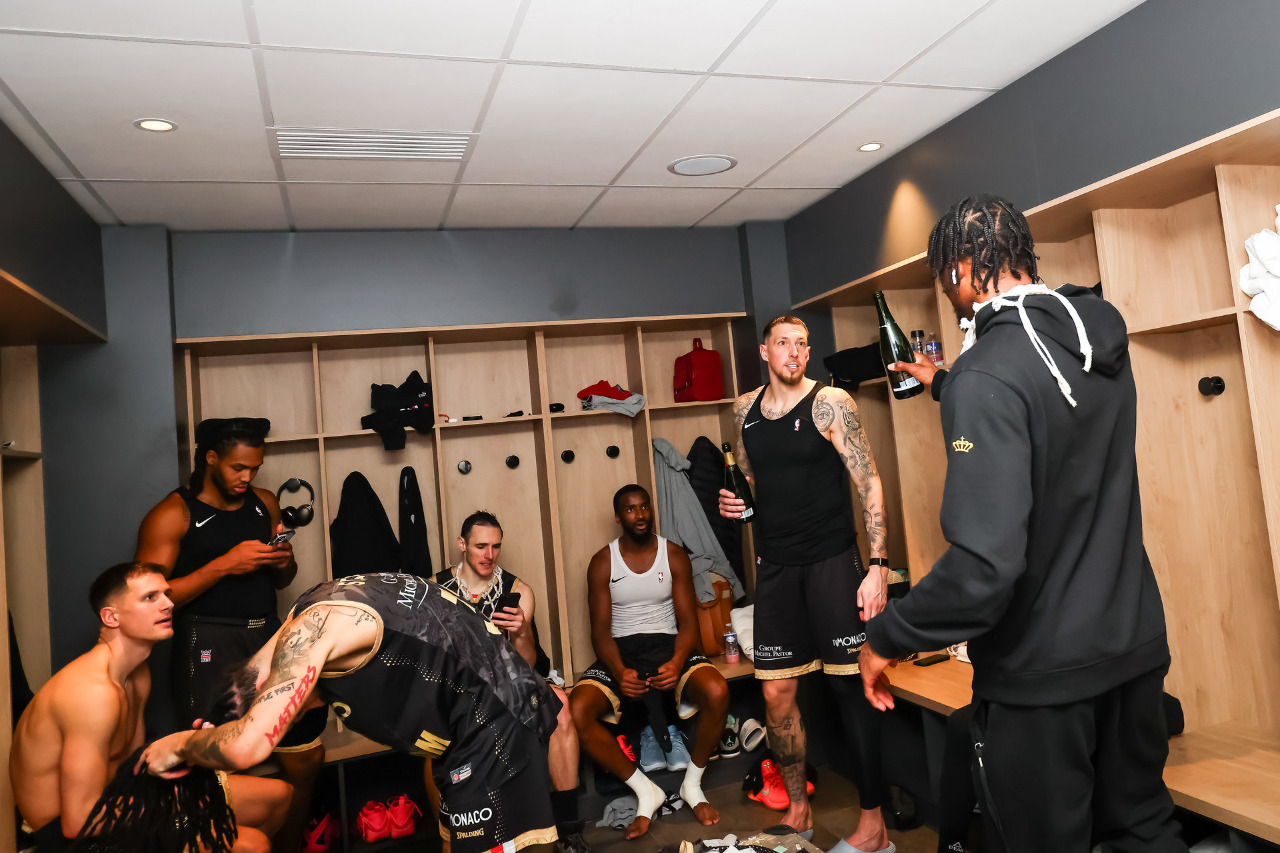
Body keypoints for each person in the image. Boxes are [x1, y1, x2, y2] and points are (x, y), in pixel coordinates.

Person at [859, 194, 1184, 852]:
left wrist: (887, 635)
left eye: (943, 276)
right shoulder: (1094, 338)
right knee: (1142, 830)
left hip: (1044, 680)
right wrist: (946, 383)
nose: (945, 290)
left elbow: (985, 567)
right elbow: (1045, 414)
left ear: (962, 269)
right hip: (1132, 652)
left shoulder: (987, 374)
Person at [140, 571, 566, 853]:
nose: (298, 713)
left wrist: (182, 745)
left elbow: (247, 747)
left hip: (494, 719)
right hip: (469, 710)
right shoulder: (308, 608)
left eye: (285, 711)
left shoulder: (311, 636)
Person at [719, 315, 893, 853]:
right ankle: (798, 809)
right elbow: (753, 479)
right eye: (783, 344)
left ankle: (874, 826)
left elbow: (868, 481)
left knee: (851, 689)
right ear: (764, 352)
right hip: (775, 570)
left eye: (802, 344)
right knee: (776, 693)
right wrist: (738, 504)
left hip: (832, 565)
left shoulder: (831, 402)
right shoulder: (744, 410)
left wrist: (878, 566)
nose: (794, 352)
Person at [134, 416, 325, 853]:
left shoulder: (264, 503)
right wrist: (224, 565)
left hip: (268, 636)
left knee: (305, 756)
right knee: (217, 762)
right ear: (210, 458)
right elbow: (146, 598)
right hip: (208, 644)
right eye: (238, 467)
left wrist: (283, 562)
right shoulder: (173, 514)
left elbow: (283, 579)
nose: (247, 477)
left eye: (255, 468)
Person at [9, 562, 290, 852]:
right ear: (111, 617)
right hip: (68, 836)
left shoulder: (136, 675)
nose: (168, 604)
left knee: (277, 796)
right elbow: (78, 822)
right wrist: (178, 814)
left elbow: (133, 768)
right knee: (252, 845)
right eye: (149, 597)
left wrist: (194, 750)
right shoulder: (92, 694)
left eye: (167, 594)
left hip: (115, 798)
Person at [570, 485, 730, 840]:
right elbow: (600, 632)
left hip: (669, 644)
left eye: (644, 507)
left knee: (717, 691)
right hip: (622, 649)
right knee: (577, 710)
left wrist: (676, 661)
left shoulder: (673, 555)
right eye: (630, 509)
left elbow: (688, 624)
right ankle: (646, 791)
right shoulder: (603, 561)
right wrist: (618, 670)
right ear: (618, 517)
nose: (640, 515)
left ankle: (692, 785)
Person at [434, 511, 586, 853]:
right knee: (434, 727)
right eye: (480, 546)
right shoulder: (437, 588)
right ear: (462, 545)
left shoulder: (518, 591)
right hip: (461, 688)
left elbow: (526, 663)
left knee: (560, 708)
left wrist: (521, 630)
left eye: (496, 546)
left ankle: (569, 829)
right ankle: (449, 834)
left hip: (511, 681)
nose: (489, 555)